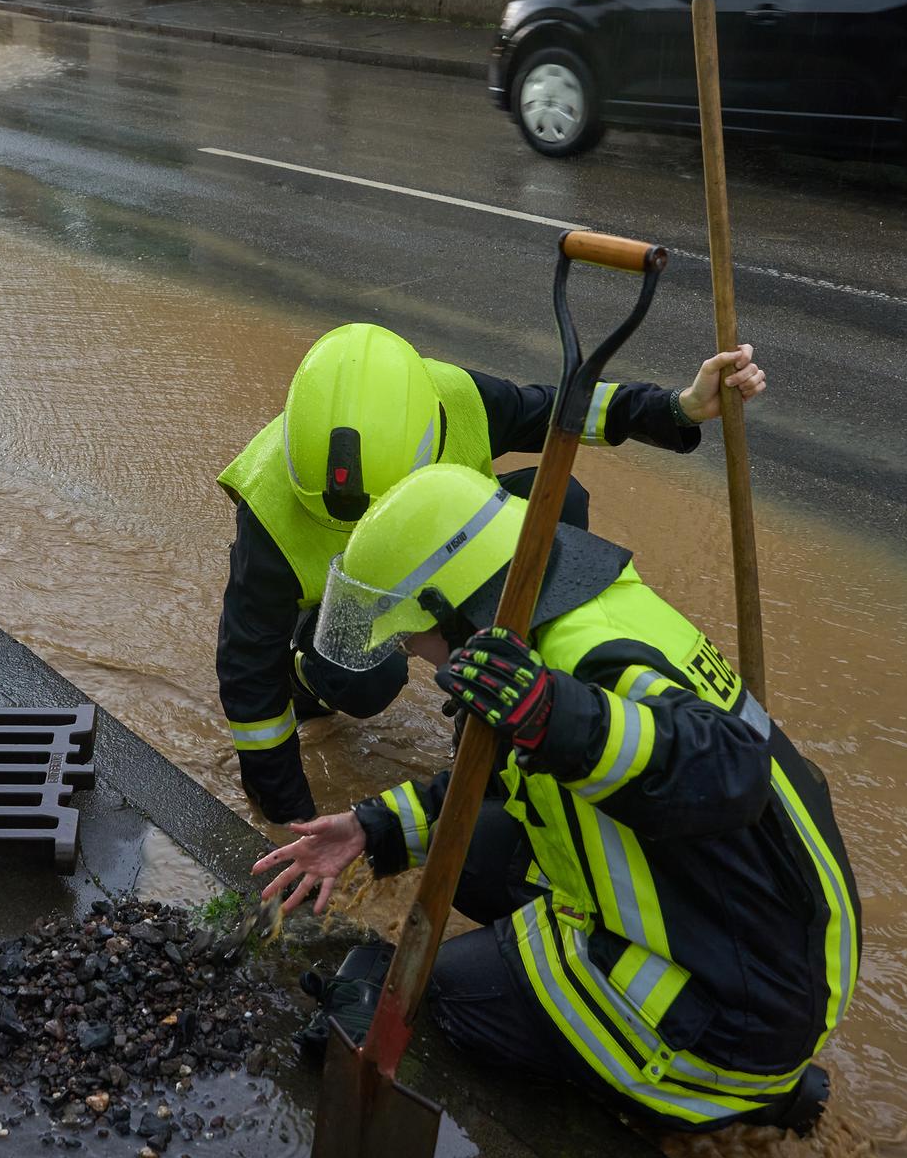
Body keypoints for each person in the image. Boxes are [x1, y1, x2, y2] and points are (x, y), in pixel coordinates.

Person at [254, 462, 857, 1133]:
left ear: (446, 606)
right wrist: (373, 828)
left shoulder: (586, 663)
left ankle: (738, 1096)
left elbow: (732, 772)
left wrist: (552, 713)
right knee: (474, 857)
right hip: (754, 939)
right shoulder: (579, 609)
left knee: (443, 1000)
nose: (418, 656)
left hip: (731, 1012)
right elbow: (505, 776)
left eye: (411, 635)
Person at [216, 323, 765, 824]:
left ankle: (514, 682)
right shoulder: (269, 510)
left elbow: (564, 413)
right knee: (362, 681)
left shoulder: (453, 398)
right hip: (352, 599)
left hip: (450, 557)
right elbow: (249, 676)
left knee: (559, 500)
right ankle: (310, 675)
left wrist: (676, 406)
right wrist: (289, 821)